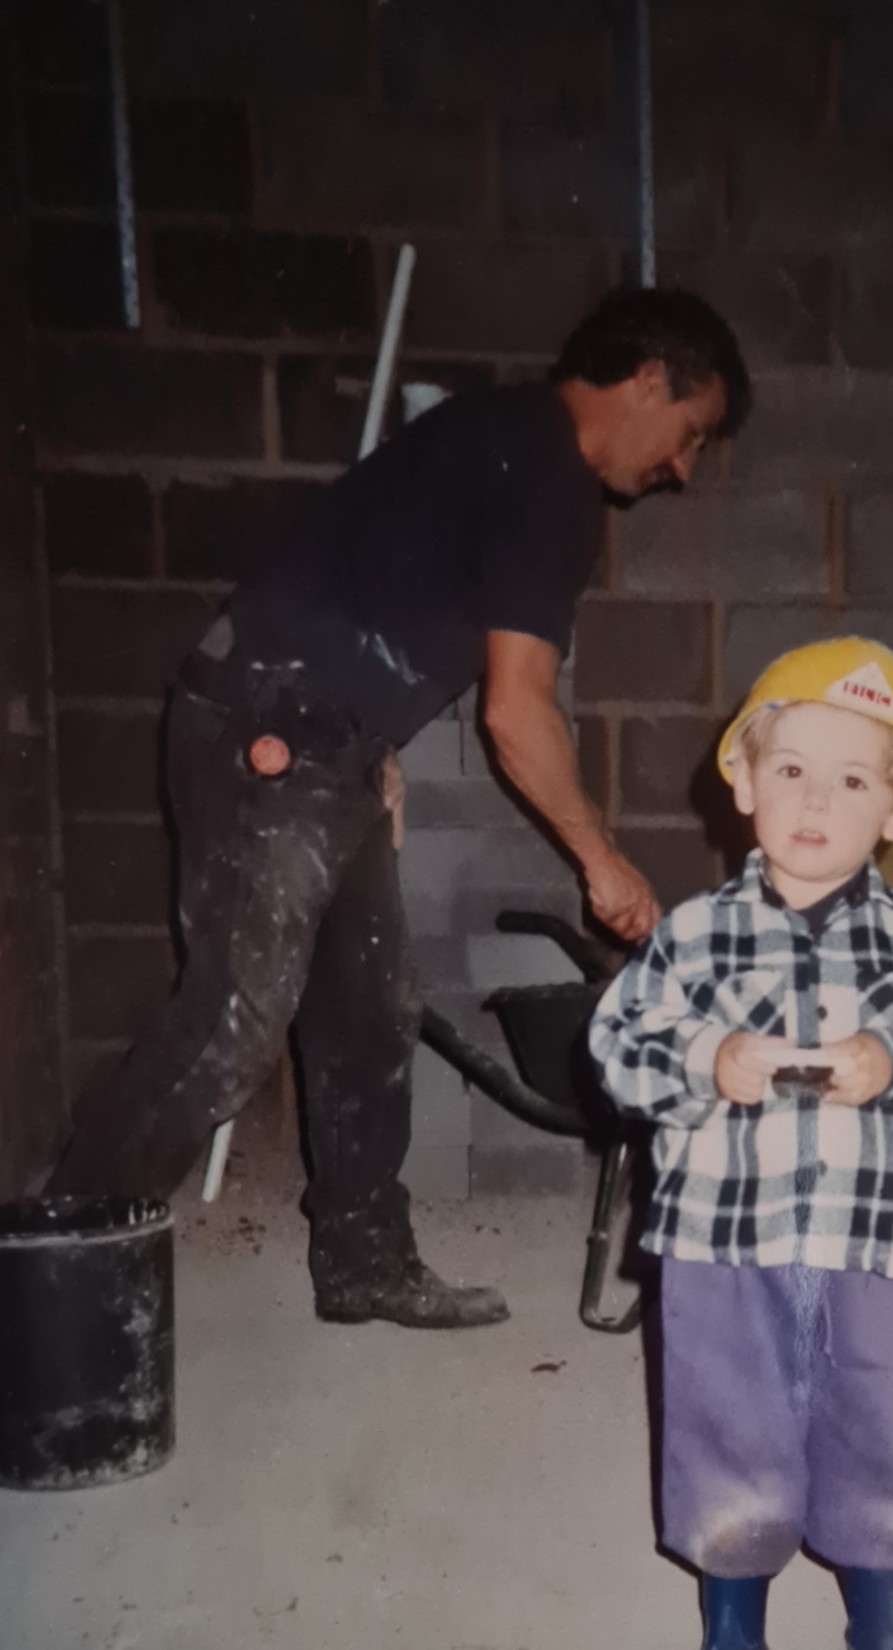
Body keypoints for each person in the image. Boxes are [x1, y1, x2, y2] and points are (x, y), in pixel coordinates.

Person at [48, 289, 751, 1328]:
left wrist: (371, 737)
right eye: (690, 434)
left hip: (315, 734)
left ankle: (365, 1260)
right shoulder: (550, 473)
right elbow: (517, 714)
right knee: (233, 1026)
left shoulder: (500, 439)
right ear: (649, 381)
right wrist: (603, 862)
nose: (683, 469)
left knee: (369, 1010)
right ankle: (54, 1266)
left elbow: (368, 575)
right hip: (272, 732)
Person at [589, 639, 893, 1650]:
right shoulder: (693, 937)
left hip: (874, 1238)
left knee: (876, 1417)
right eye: (790, 771)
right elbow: (617, 1040)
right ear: (741, 782)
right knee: (726, 1423)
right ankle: (733, 1632)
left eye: (853, 779)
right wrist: (703, 1059)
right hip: (722, 1241)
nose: (816, 802)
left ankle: (883, 1616)